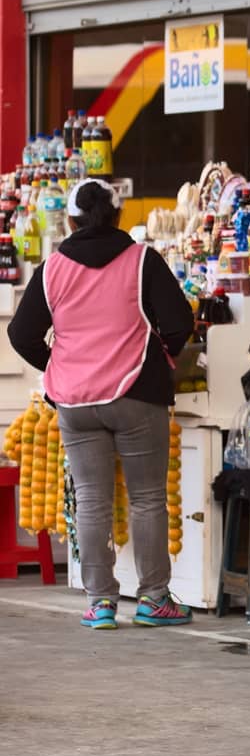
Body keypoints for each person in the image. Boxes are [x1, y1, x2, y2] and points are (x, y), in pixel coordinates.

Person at [7, 178, 195, 629]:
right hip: (136, 393)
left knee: (91, 499)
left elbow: (20, 334)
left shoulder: (52, 268)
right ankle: (153, 600)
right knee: (148, 497)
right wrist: (159, 355)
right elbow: (179, 322)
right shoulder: (141, 260)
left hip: (74, 401)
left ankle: (100, 603)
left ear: (71, 220)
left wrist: (58, 362)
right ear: (117, 217)